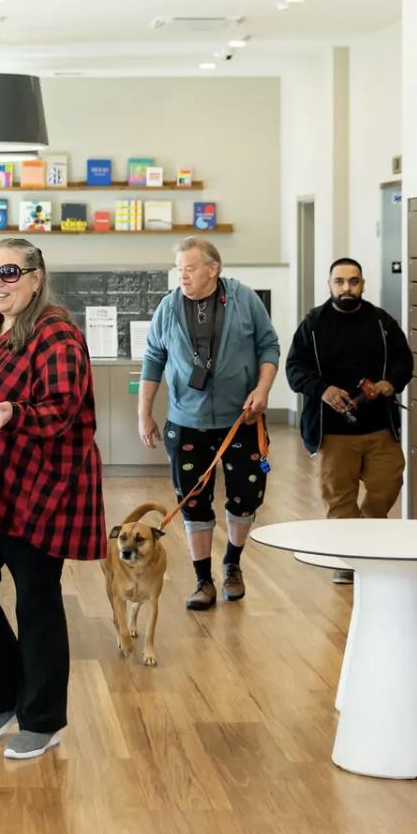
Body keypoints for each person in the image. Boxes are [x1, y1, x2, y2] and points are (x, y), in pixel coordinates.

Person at [0, 237, 105, 761]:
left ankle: (44, 718)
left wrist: (17, 413)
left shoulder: (56, 334)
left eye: (10, 272)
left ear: (35, 277)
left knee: (36, 602)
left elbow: (61, 405)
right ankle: (4, 697)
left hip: (35, 490)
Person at [139, 237, 280, 610]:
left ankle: (232, 562)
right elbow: (153, 359)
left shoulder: (244, 299)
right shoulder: (169, 307)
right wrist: (145, 412)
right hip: (187, 422)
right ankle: (204, 580)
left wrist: (263, 390)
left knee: (245, 496)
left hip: (242, 419)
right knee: (193, 501)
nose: (181, 276)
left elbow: (269, 347)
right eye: (178, 269)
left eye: (189, 268)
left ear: (212, 268)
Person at [285, 257, 413, 584]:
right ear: (329, 285)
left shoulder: (382, 322)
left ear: (363, 285)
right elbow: (295, 370)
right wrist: (323, 390)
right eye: (340, 281)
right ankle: (350, 557)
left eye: (353, 281)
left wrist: (391, 383)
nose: (347, 288)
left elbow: (404, 361)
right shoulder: (313, 325)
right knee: (339, 498)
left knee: (387, 485)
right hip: (333, 432)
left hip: (380, 427)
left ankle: (365, 535)